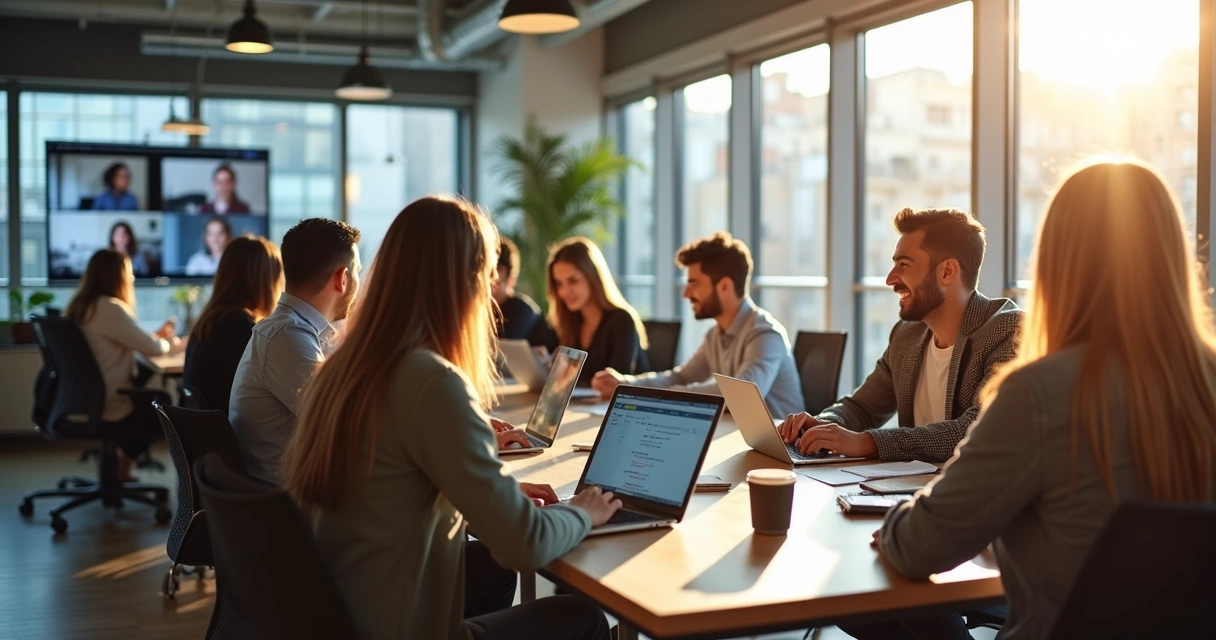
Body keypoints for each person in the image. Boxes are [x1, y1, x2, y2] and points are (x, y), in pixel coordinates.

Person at [857, 160, 1216, 640]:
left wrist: (901, 518)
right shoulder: (1205, 380)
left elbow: (919, 547)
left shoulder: (1040, 392)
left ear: (1056, 262)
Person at [283, 195, 619, 640]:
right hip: (400, 628)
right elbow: (524, 543)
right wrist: (582, 511)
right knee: (584, 619)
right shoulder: (430, 381)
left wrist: (491, 491)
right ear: (466, 283)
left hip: (340, 617)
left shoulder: (341, 371)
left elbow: (394, 484)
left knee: (493, 568)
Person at [777, 208, 1022, 463]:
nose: (890, 279)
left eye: (904, 264)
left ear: (947, 272)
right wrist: (823, 426)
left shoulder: (1008, 331)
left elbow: (977, 428)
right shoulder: (907, 335)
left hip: (973, 496)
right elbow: (862, 408)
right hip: (909, 490)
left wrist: (867, 442)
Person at [592, 232, 804, 417]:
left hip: (781, 453)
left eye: (694, 284)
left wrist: (666, 396)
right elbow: (682, 376)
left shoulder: (765, 334)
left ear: (724, 286)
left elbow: (743, 395)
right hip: (736, 440)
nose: (686, 294)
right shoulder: (715, 335)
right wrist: (626, 385)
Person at [228, 218, 361, 486]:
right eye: (358, 271)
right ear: (343, 278)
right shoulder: (287, 336)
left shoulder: (295, 331)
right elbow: (344, 421)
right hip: (289, 507)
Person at [66, 250, 184, 482]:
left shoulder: (82, 306)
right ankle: (122, 466)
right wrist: (177, 342)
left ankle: (119, 465)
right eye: (129, 274)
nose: (131, 279)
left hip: (82, 399)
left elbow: (123, 340)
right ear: (118, 277)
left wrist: (153, 337)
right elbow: (152, 349)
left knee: (149, 391)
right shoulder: (109, 307)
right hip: (108, 401)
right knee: (163, 406)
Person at [182, 236, 283, 414]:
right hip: (235, 435)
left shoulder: (212, 319)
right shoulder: (238, 326)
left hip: (213, 435)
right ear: (266, 280)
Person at [543, 237, 648, 385]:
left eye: (573, 281)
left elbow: (615, 383)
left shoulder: (622, 321)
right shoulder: (570, 320)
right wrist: (547, 365)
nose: (565, 291)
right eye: (559, 283)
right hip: (585, 405)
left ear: (593, 277)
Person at [493, 237, 546, 343]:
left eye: (498, 270)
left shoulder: (520, 308)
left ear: (511, 278)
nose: (494, 278)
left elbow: (500, 350)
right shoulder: (488, 309)